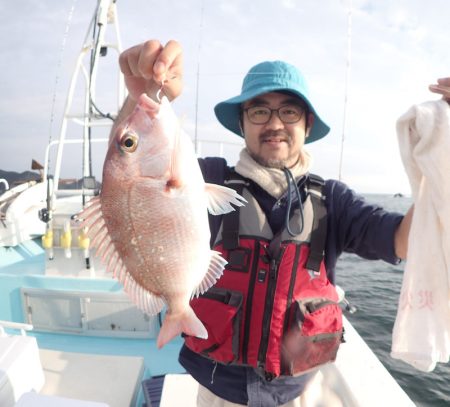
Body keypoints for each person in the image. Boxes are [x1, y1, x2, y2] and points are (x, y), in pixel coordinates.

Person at [115, 40, 450, 407]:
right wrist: (144, 95)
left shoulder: (333, 201)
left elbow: (403, 240)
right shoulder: (204, 178)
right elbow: (129, 178)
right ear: (242, 124)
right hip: (217, 393)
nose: (274, 123)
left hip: (297, 393)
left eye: (289, 112)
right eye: (259, 111)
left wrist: (441, 159)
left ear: (307, 124)